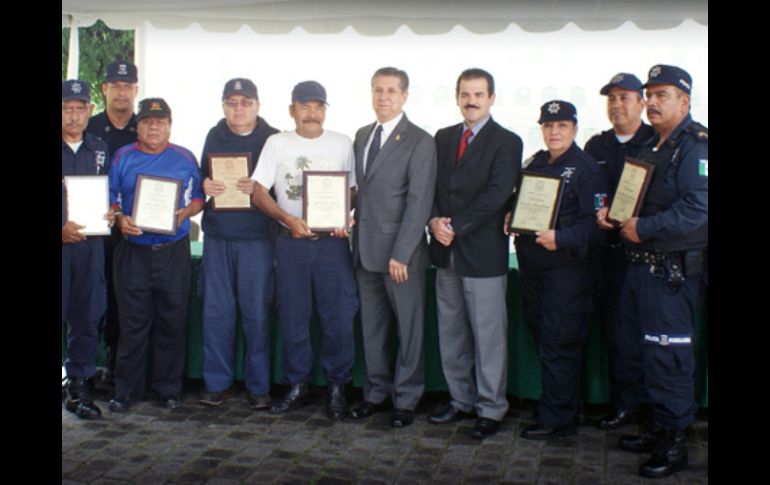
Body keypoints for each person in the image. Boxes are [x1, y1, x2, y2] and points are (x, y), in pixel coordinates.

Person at [597, 65, 707, 479]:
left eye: (663, 95)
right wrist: (616, 216)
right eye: (651, 94)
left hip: (672, 274)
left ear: (685, 100)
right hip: (641, 270)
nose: (654, 102)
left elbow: (698, 210)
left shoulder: (696, 147)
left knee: (669, 356)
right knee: (644, 352)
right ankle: (658, 427)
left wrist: (643, 227)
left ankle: (675, 441)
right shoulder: (654, 148)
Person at [251, 81, 358, 420]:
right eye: (305, 106)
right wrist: (287, 219)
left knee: (337, 317)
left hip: (332, 244)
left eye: (318, 106)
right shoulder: (277, 143)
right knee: (294, 317)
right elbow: (258, 191)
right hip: (291, 242)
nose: (312, 113)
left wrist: (345, 216)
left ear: (325, 110)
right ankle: (297, 384)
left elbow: (353, 190)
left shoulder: (343, 143)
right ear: (291, 110)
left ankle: (338, 386)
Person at [427, 68, 522, 439]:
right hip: (445, 252)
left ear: (491, 98)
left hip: (482, 253)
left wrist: (455, 226)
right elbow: (432, 185)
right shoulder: (443, 137)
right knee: (451, 333)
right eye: (465, 93)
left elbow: (497, 194)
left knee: (488, 336)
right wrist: (434, 220)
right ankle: (460, 400)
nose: (471, 100)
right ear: (457, 97)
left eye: (479, 94)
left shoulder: (507, 141)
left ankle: (491, 407)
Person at [506, 100, 601, 440]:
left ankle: (556, 417)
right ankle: (565, 405)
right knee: (545, 337)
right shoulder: (535, 163)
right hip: (534, 270)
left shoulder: (587, 169)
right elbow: (522, 203)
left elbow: (597, 226)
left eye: (562, 125)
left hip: (567, 272)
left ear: (574, 129)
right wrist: (512, 216)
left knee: (560, 341)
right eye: (548, 126)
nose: (554, 131)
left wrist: (561, 237)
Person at [349, 67, 437, 428]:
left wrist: (402, 252)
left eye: (391, 91)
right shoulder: (361, 135)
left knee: (409, 330)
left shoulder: (420, 140)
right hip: (364, 251)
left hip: (401, 255)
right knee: (373, 330)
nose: (383, 97)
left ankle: (407, 398)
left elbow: (419, 201)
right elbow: (360, 191)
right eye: (377, 90)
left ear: (404, 96)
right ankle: (375, 393)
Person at [107, 97, 205, 412]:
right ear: (138, 126)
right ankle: (127, 390)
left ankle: (168, 389)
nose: (153, 127)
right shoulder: (123, 157)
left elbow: (201, 197)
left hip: (173, 251)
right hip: (133, 253)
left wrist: (186, 211)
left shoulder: (185, 157)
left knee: (172, 322)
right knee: (132, 324)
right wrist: (120, 219)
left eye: (159, 122)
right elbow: (110, 200)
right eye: (147, 122)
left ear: (169, 125)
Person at [197, 78, 280, 410]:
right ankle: (217, 383)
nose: (239, 108)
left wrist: (260, 190)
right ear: (223, 105)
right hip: (217, 235)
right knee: (216, 313)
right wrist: (205, 183)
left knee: (257, 313)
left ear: (258, 105)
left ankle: (258, 386)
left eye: (246, 102)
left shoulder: (274, 138)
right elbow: (203, 177)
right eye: (232, 102)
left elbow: (283, 190)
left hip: (257, 238)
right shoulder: (213, 134)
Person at [584, 72, 655, 430]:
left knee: (646, 331)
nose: (617, 105)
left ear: (642, 103)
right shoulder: (597, 146)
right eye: (611, 99)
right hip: (607, 255)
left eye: (625, 98)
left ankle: (650, 408)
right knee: (615, 331)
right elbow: (589, 192)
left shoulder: (657, 141)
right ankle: (622, 404)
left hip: (647, 255)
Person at [86, 59, 140, 386]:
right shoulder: (87, 127)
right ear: (104, 88)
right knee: (90, 300)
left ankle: (118, 367)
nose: (122, 92)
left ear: (136, 90)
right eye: (115, 85)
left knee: (124, 302)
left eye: (128, 86)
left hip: (131, 231)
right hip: (92, 231)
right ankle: (83, 370)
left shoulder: (145, 126)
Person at [62, 79, 110, 419]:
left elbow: (110, 193)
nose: (74, 116)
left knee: (86, 316)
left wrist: (111, 211)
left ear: (90, 111)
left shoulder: (100, 148)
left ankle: (78, 386)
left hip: (90, 247)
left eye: (80, 109)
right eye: (67, 109)